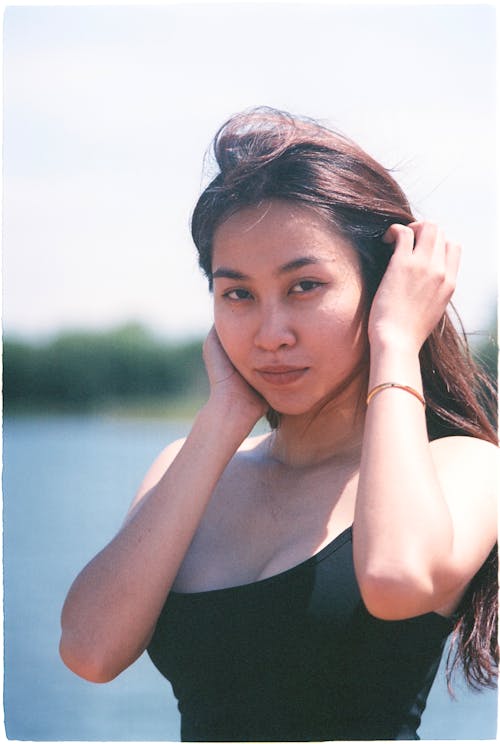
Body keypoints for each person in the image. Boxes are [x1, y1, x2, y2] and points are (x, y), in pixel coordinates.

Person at [59, 107, 498, 741]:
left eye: (305, 287)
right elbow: (89, 652)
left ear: (383, 288)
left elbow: (398, 580)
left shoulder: (464, 466)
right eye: (237, 293)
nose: (271, 335)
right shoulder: (186, 466)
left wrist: (398, 341)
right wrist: (224, 418)